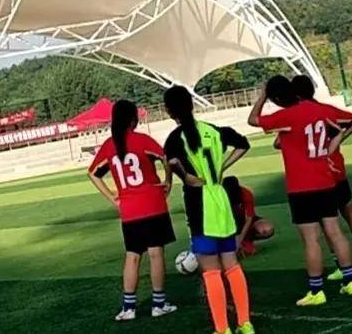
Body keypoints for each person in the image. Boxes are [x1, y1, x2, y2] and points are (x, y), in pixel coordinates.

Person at [247, 76, 352, 306]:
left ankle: (316, 290)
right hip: (326, 182)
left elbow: (253, 120)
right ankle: (350, 281)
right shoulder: (316, 109)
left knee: (311, 240)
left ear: (276, 98)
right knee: (335, 232)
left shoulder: (286, 116)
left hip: (302, 187)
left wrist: (262, 96)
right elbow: (339, 129)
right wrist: (329, 151)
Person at [163, 86, 254, 334]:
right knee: (232, 264)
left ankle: (222, 328)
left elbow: (173, 162)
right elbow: (243, 144)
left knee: (211, 271)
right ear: (191, 105)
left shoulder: (175, 138)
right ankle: (245, 323)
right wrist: (222, 166)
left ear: (169, 111)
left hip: (199, 205)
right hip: (220, 199)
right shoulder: (213, 130)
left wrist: (184, 176)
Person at [286, 75, 352, 280]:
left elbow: (280, 143)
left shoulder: (297, 115)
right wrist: (338, 140)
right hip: (336, 168)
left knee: (327, 222)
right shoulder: (325, 109)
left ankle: (341, 266)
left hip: (318, 174)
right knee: (349, 211)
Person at [88, 100, 178, 322]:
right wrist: (168, 180)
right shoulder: (142, 139)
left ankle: (128, 308)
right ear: (132, 119)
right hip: (153, 203)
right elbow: (165, 158)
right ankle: (159, 304)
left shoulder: (109, 145)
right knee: (156, 253)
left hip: (129, 209)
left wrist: (112, 197)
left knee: (132, 255)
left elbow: (92, 173)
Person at [223, 176, 275, 257]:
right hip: (227, 225)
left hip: (243, 221)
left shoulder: (246, 193)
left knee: (267, 229)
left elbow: (249, 219)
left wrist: (239, 240)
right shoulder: (219, 196)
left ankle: (245, 242)